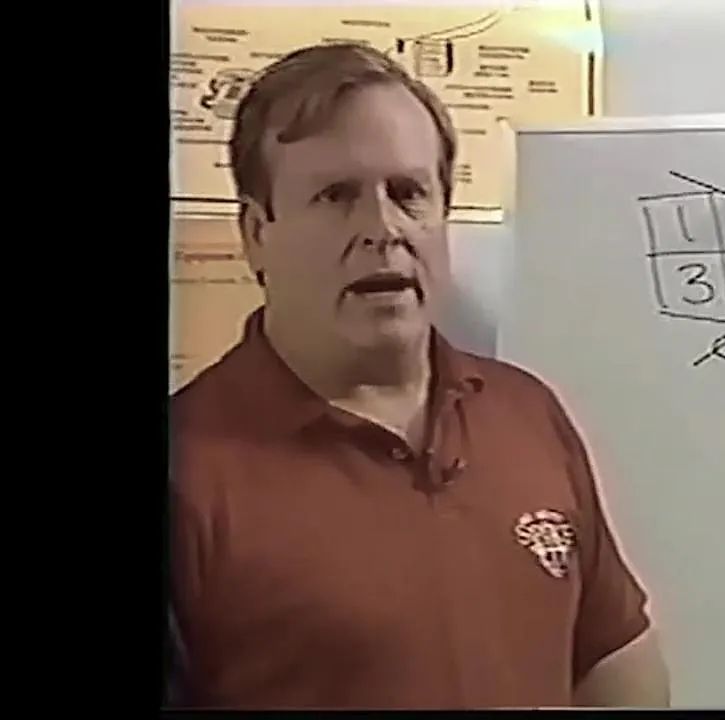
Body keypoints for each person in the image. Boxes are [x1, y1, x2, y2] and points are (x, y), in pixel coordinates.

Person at [168, 42, 669, 709]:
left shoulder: (525, 413)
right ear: (258, 233)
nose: (382, 228)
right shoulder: (189, 469)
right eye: (336, 196)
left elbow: (612, 660)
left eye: (408, 194)